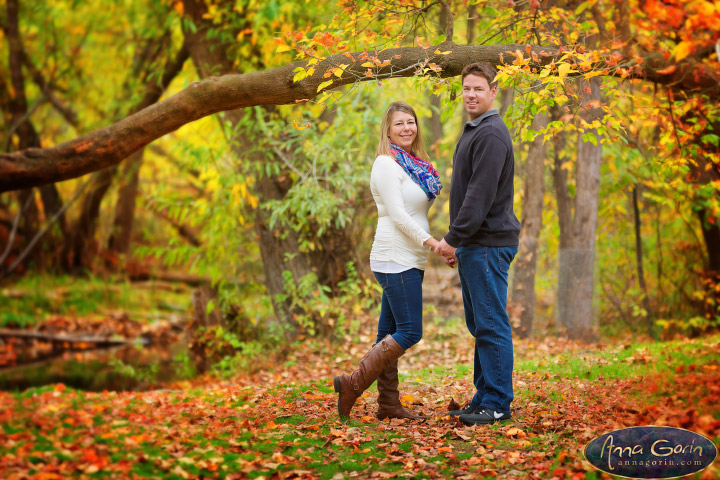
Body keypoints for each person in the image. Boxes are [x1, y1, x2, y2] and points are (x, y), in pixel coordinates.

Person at [334, 101, 453, 420]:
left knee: (387, 333)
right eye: (398, 123)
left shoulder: (414, 165)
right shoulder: (385, 164)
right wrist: (435, 245)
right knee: (411, 331)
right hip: (392, 256)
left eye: (411, 122)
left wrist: (431, 247)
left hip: (409, 257)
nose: (406, 128)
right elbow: (399, 215)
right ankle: (352, 384)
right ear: (387, 129)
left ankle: (387, 404)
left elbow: (414, 212)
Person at [434, 62, 521, 426]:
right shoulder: (476, 130)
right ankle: (484, 395)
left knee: (491, 323)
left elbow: (480, 196)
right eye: (467, 88)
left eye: (478, 89)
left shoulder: (490, 134)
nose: (471, 94)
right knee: (480, 324)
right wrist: (460, 242)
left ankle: (498, 403)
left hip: (487, 243)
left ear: (492, 92)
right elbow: (468, 192)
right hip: (476, 244)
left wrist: (453, 239)